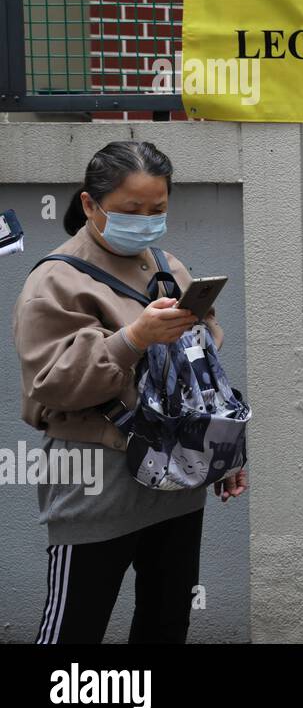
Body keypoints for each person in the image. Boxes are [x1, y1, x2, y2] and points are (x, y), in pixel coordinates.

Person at [13, 140, 247, 644]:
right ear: (90, 206)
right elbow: (51, 382)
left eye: (157, 209)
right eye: (130, 210)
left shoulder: (167, 266)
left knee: (167, 621)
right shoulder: (55, 281)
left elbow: (200, 374)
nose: (145, 221)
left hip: (175, 478)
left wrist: (222, 452)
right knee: (75, 624)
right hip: (95, 480)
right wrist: (133, 339)